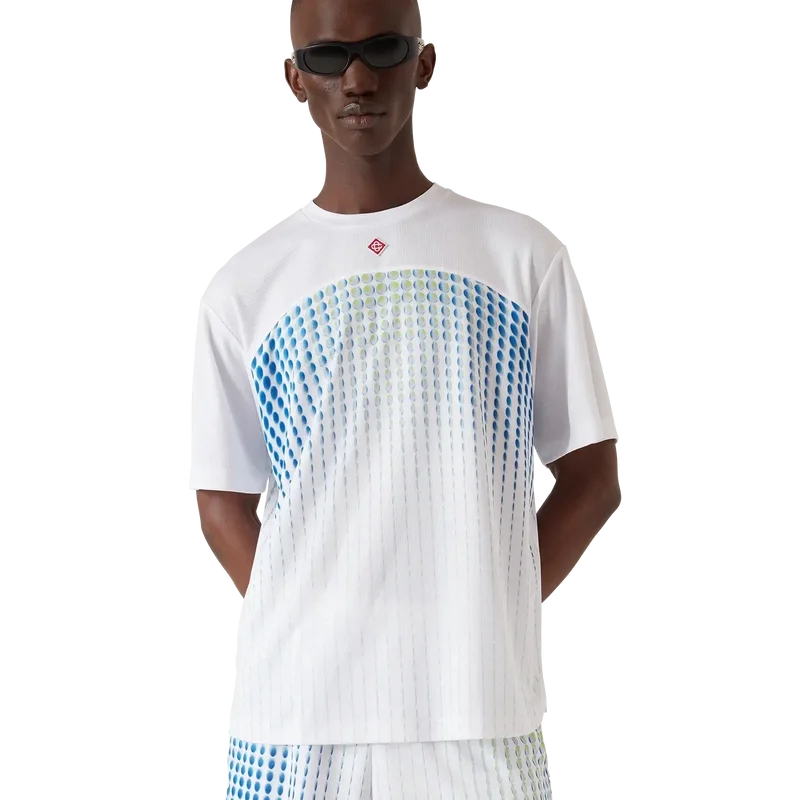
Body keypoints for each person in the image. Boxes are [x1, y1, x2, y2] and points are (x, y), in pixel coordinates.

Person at [191, 0, 622, 796]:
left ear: (425, 64)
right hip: (295, 723)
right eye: (326, 58)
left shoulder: (522, 253)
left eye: (384, 50)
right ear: (294, 78)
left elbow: (592, 478)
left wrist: (487, 611)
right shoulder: (245, 281)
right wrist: (317, 626)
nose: (356, 80)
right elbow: (221, 497)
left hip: (482, 716)